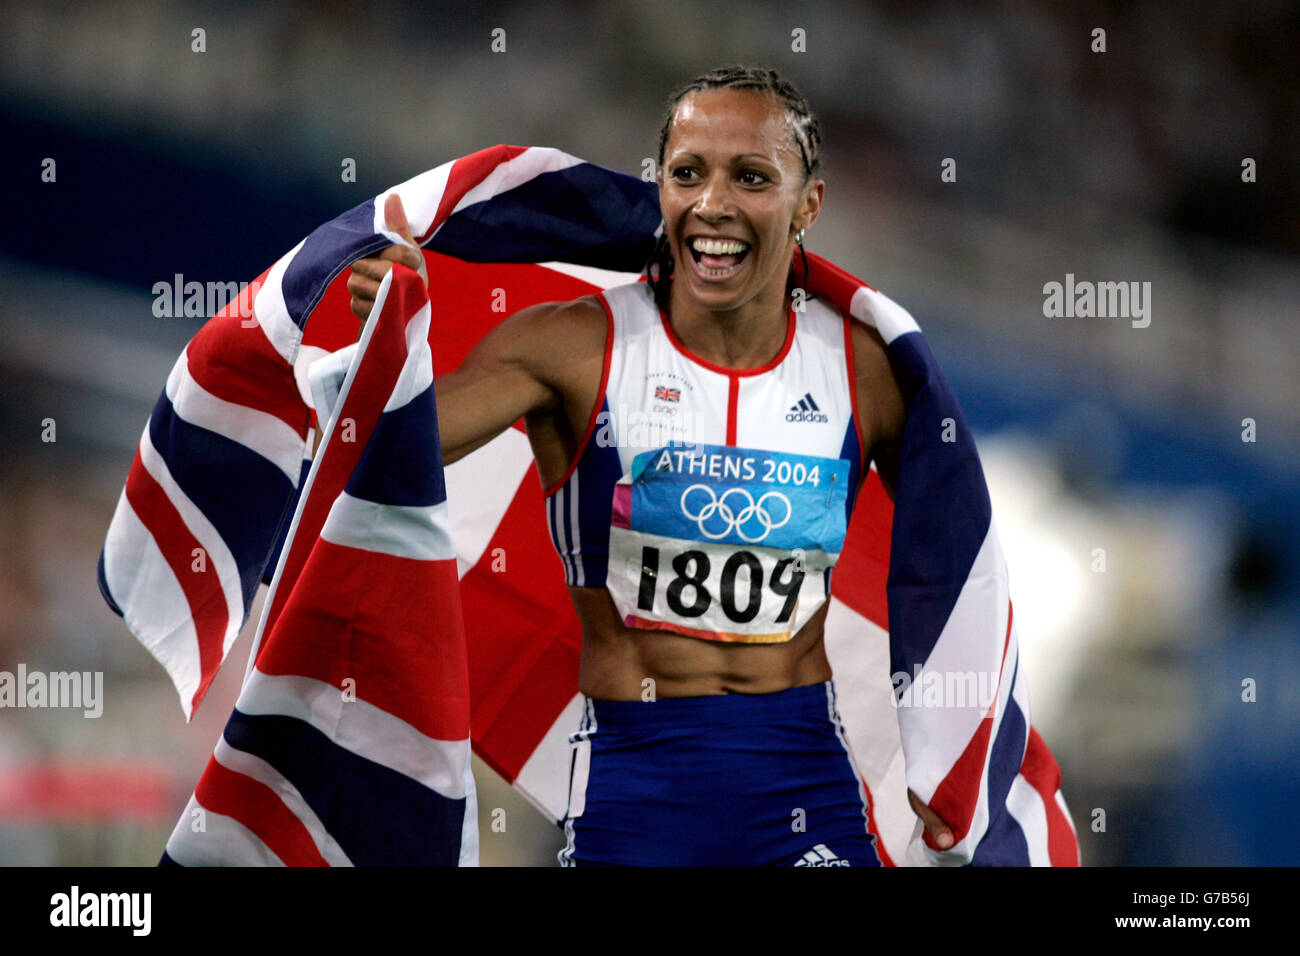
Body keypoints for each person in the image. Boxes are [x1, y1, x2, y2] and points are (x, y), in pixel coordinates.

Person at [345, 65, 954, 865]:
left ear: (809, 204)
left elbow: (949, 560)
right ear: (658, 187)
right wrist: (393, 335)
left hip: (804, 782)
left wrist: (956, 754)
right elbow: (383, 452)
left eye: (751, 177)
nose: (713, 205)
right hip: (635, 787)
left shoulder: (865, 368)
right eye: (687, 173)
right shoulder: (570, 345)